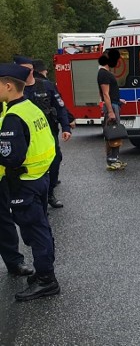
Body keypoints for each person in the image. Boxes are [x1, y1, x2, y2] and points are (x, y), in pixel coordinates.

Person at [0, 63, 60, 301]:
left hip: (24, 180)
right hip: (39, 178)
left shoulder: (14, 116)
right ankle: (44, 273)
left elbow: (11, 156)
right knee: (41, 228)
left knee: (35, 232)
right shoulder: (30, 107)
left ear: (8, 86)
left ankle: (47, 280)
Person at [19, 58, 72, 208]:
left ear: (32, 70)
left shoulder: (46, 86)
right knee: (30, 167)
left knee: (55, 161)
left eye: (28, 69)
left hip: (48, 132)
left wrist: (66, 127)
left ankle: (49, 193)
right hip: (25, 135)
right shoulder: (16, 90)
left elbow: (60, 107)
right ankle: (34, 198)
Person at [98, 52, 127, 171]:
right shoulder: (103, 74)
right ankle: (111, 160)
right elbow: (105, 94)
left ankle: (115, 158)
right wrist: (110, 111)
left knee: (116, 133)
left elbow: (109, 93)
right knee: (113, 133)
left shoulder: (106, 73)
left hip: (114, 104)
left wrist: (118, 99)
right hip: (111, 107)